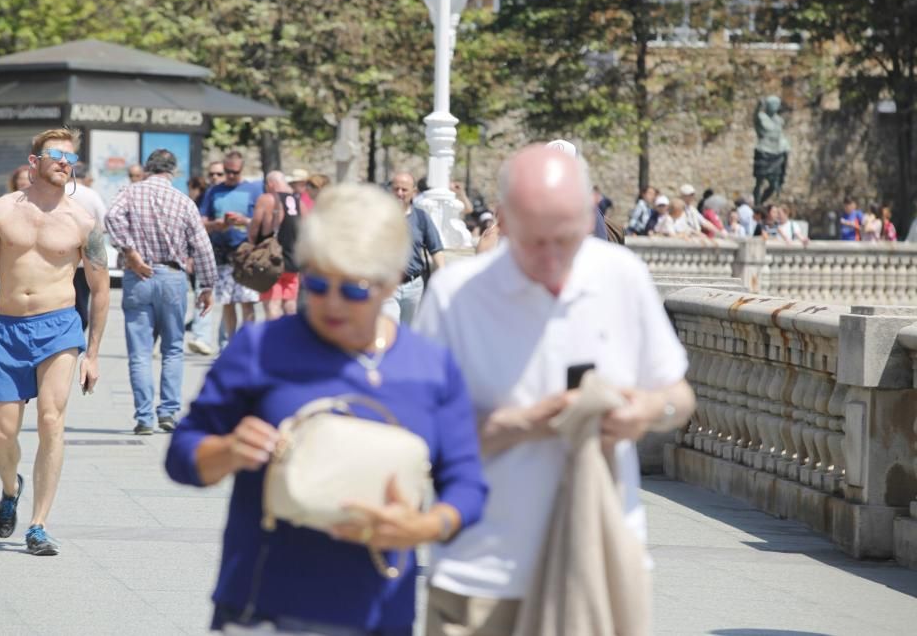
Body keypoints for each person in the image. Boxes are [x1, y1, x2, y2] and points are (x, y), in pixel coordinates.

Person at [165, 182, 488, 635]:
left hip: (379, 611)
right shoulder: (260, 348)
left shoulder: (430, 367)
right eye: (317, 283)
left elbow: (468, 483)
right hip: (263, 609)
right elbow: (182, 455)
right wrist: (227, 451)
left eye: (353, 289)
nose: (332, 302)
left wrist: (426, 525)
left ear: (392, 281)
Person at [413, 143, 695, 636]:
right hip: (482, 573)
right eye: (534, 241)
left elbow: (679, 395)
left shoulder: (620, 276)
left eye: (566, 239)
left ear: (589, 216)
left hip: (600, 561)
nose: (551, 258)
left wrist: (648, 409)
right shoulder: (457, 296)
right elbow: (424, 430)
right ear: (501, 220)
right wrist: (524, 423)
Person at [0, 127, 110, 555]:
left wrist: (92, 354)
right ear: (34, 159)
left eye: (70, 157)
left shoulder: (85, 222)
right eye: (56, 154)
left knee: (50, 420)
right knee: (2, 433)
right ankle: (10, 488)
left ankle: (38, 525)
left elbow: (99, 291)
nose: (64, 162)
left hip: (59, 327)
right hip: (9, 328)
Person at [104, 149, 216, 435]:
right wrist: (207, 286)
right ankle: (167, 412)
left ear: (148, 168)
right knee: (173, 349)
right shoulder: (183, 201)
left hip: (138, 275)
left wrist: (129, 252)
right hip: (172, 277)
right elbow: (202, 246)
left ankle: (143, 418)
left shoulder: (129, 193)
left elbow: (111, 218)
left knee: (140, 352)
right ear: (173, 171)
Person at [200, 151, 264, 344]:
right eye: (227, 171)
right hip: (222, 254)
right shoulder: (214, 191)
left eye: (234, 172)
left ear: (241, 170)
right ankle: (230, 344)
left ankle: (248, 345)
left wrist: (244, 221)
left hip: (246, 254)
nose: (230, 175)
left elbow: (262, 223)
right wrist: (219, 225)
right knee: (227, 303)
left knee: (247, 303)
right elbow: (202, 222)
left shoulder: (254, 190)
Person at [385, 172, 444, 325]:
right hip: (387, 284)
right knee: (390, 327)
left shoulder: (421, 217)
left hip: (413, 287)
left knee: (409, 331)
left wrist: (444, 278)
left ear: (414, 192)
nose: (399, 193)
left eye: (404, 190)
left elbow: (435, 248)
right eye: (396, 189)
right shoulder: (381, 216)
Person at [249, 171, 301, 320]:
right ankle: (292, 340)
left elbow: (255, 227)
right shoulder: (299, 201)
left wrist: (252, 247)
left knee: (272, 305)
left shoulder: (267, 198)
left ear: (270, 184)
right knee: (291, 305)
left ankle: (274, 341)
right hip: (293, 261)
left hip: (272, 261)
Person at [65, 161, 107, 332]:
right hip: (84, 261)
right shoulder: (91, 195)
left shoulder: (60, 192)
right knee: (81, 300)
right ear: (86, 176)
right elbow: (104, 224)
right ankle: (77, 332)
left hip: (57, 258)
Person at [186, 176, 214, 355]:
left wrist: (191, 256)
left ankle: (202, 336)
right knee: (202, 292)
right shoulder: (201, 200)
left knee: (203, 292)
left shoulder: (201, 201)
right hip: (203, 255)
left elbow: (198, 233)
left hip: (205, 255)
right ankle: (199, 332)